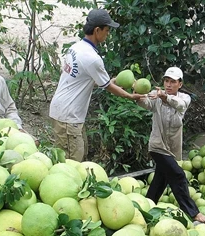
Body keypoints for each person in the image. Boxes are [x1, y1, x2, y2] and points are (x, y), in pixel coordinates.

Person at [49, 8, 144, 161]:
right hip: (68, 116)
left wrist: (110, 81)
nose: (108, 34)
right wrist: (130, 96)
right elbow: (107, 87)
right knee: (71, 163)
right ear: (97, 30)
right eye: (107, 30)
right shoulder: (92, 58)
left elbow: (82, 80)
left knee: (81, 155)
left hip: (64, 112)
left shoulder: (76, 47)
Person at [137, 67, 205, 224]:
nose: (168, 85)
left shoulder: (184, 98)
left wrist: (165, 97)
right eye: (166, 81)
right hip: (157, 145)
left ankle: (147, 207)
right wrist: (136, 92)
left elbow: (180, 105)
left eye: (172, 82)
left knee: (161, 178)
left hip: (172, 147)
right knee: (178, 175)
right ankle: (193, 213)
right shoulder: (156, 97)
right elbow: (144, 102)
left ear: (180, 84)